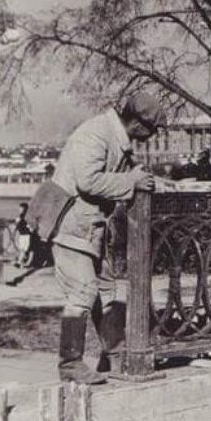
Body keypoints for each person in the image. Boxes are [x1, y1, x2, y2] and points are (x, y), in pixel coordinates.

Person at [51, 93, 167, 384]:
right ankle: (70, 364)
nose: (152, 136)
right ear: (137, 123)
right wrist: (131, 181)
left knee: (105, 292)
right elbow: (87, 181)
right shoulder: (96, 133)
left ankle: (114, 355)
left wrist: (159, 182)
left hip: (91, 230)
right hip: (72, 229)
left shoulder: (117, 138)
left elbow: (129, 177)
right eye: (152, 130)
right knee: (82, 292)